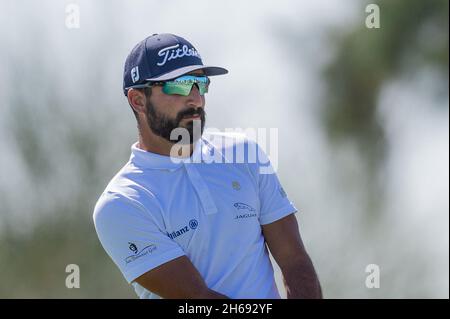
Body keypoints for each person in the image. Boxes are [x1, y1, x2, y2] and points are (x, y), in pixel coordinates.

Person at [93, 33, 322, 299]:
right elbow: (200, 300)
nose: (196, 99)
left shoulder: (244, 154)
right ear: (138, 100)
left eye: (200, 84)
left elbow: (295, 261)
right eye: (179, 85)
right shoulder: (122, 203)